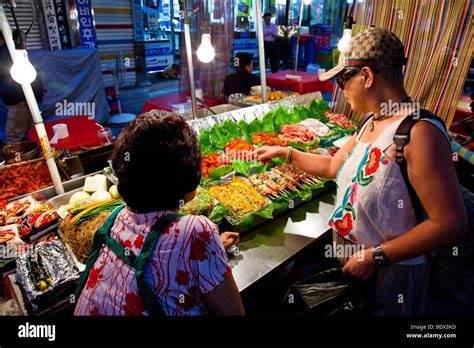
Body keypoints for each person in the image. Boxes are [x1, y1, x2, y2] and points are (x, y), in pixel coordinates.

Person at [255, 28, 468, 315]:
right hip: (354, 264)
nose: (340, 88)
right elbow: (332, 166)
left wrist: (375, 257)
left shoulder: (418, 132)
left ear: (367, 76)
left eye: (343, 79)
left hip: (393, 276)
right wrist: (287, 153)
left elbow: (450, 223)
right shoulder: (370, 121)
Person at [75, 115, 244, 316]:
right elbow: (233, 313)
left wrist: (209, 252)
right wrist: (207, 246)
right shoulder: (196, 229)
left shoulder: (115, 216)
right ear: (189, 178)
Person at [0, 32, 44, 144]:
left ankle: (20, 160)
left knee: (13, 138)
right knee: (34, 133)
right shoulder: (9, 51)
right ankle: (40, 157)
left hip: (20, 101)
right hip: (23, 100)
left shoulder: (9, 53)